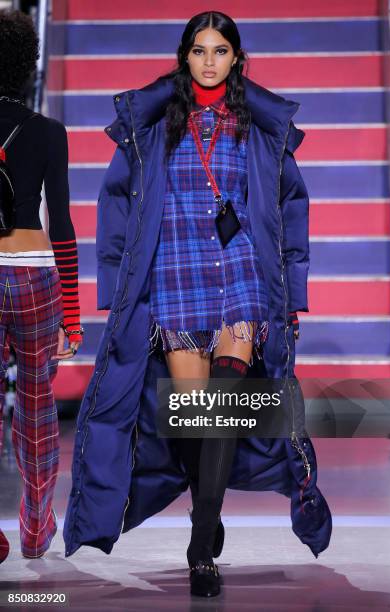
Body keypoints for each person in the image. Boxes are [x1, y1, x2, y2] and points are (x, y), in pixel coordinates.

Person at [63, 10, 332, 599]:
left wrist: (294, 289)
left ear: (236, 59)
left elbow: (291, 206)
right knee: (193, 419)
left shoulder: (258, 128)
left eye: (220, 50)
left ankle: (200, 543)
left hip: (240, 276)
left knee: (225, 408)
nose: (209, 61)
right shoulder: (154, 126)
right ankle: (205, 513)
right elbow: (115, 205)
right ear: (184, 57)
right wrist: (116, 289)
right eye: (199, 50)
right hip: (175, 275)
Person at [0, 9, 83, 562]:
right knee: (36, 405)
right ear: (30, 65)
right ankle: (35, 525)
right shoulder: (49, 133)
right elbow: (64, 225)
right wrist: (71, 318)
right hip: (34, 274)